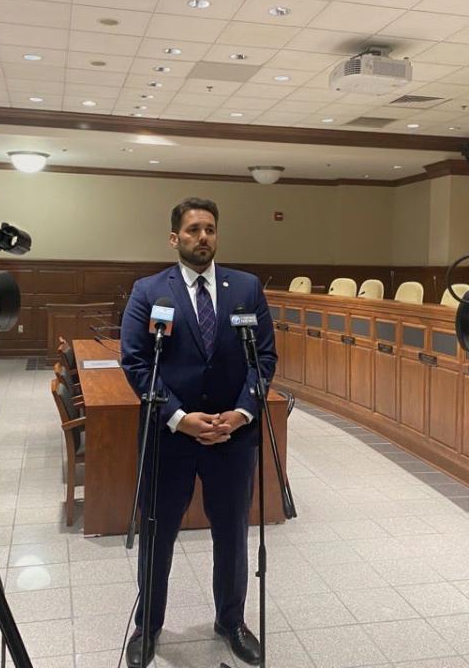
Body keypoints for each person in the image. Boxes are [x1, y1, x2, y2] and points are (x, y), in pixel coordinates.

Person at [120, 197, 276, 667]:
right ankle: (148, 625)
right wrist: (179, 417)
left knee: (231, 535)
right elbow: (136, 362)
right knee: (157, 532)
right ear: (175, 238)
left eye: (209, 229)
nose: (202, 237)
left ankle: (231, 621)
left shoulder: (245, 287)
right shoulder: (149, 291)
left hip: (232, 438)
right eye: (192, 230)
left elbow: (264, 358)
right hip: (170, 438)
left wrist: (243, 413)